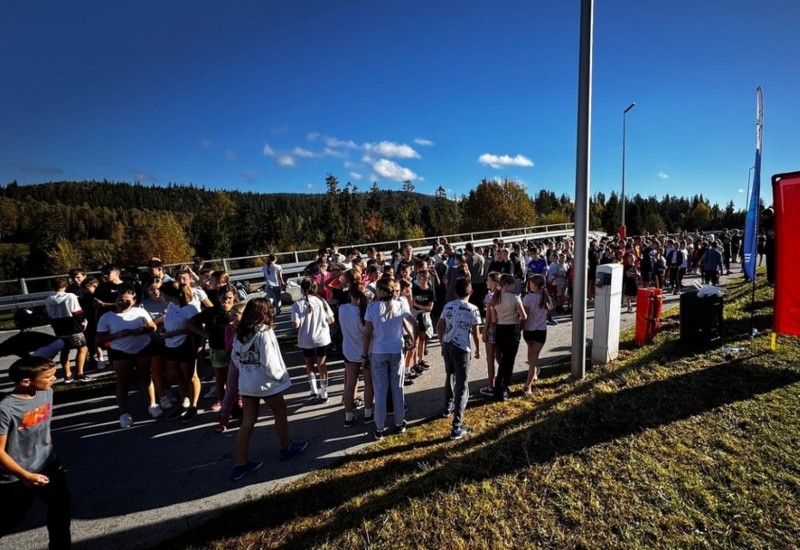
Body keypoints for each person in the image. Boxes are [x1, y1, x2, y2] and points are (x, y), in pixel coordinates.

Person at [231, 298, 308, 481]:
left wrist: (246, 371)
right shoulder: (264, 333)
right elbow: (270, 360)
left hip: (247, 381)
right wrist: (280, 377)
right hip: (266, 382)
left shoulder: (240, 333)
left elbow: (235, 357)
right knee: (279, 411)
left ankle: (240, 462)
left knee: (248, 420)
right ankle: (285, 447)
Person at [0, 356, 71, 549]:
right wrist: (25, 476)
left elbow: (43, 424)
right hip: (17, 475)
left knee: (61, 509)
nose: (54, 379)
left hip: (48, 464)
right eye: (49, 376)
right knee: (11, 520)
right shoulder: (5, 408)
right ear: (25, 382)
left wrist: (48, 447)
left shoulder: (45, 392)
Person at [96, 286, 159, 427]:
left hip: (142, 348)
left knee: (145, 378)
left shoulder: (140, 311)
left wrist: (142, 330)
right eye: (120, 300)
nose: (123, 303)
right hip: (120, 351)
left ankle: (153, 404)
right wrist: (117, 335)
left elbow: (152, 326)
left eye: (126, 300)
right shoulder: (106, 317)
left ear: (134, 300)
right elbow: (99, 340)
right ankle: (124, 413)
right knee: (123, 383)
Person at [362, 278, 417, 440]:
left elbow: (367, 334)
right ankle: (399, 422)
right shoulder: (401, 305)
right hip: (396, 351)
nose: (375, 292)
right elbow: (411, 322)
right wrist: (412, 338)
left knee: (380, 390)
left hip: (378, 352)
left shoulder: (372, 308)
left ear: (383, 291)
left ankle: (379, 427)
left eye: (377, 290)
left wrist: (364, 355)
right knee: (397, 387)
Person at [436, 277, 481, 440]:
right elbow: (476, 332)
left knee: (450, 375)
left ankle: (447, 407)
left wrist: (442, 342)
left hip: (448, 344)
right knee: (462, 384)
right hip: (462, 348)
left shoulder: (448, 305)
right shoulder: (473, 309)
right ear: (471, 292)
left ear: (455, 292)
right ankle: (457, 425)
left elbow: (439, 326)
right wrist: (477, 349)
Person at [292, 278, 335, 401]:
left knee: (309, 363)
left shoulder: (297, 304)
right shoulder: (322, 301)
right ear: (315, 288)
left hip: (306, 338)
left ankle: (313, 390)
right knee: (322, 364)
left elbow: (296, 325)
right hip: (321, 337)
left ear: (301, 289)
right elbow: (331, 320)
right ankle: (324, 392)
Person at [339, 282, 374, 427]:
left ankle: (348, 416)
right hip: (365, 351)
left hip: (348, 350)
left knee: (350, 384)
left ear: (350, 294)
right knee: (368, 383)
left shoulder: (342, 308)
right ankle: (367, 412)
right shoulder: (366, 311)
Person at [44, 277, 89, 383]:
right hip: (72, 324)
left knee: (65, 350)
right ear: (66, 286)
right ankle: (79, 373)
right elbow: (77, 311)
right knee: (82, 348)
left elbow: (48, 314)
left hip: (58, 325)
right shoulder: (70, 296)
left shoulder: (49, 299)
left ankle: (67, 374)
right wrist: (82, 322)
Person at [491, 273, 526, 401]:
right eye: (512, 284)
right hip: (512, 330)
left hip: (500, 329)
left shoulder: (495, 299)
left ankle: (498, 385)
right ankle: (504, 387)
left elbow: (494, 319)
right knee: (509, 361)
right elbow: (524, 316)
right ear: (507, 285)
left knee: (503, 359)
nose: (514, 287)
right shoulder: (515, 298)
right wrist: (515, 315)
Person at [521, 274, 551, 396]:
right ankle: (533, 374)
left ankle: (528, 385)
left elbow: (525, 315)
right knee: (533, 356)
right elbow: (548, 313)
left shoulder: (528, 298)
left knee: (532, 357)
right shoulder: (546, 298)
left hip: (528, 330)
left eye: (531, 283)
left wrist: (520, 327)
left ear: (535, 285)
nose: (529, 284)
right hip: (541, 330)